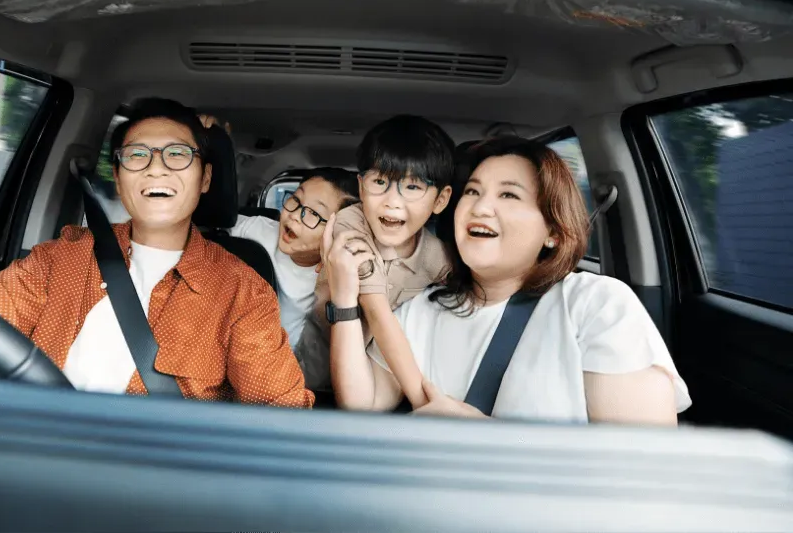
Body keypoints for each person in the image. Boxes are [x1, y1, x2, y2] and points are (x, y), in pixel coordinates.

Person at [0, 98, 314, 408]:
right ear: (119, 178)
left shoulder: (242, 289)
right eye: (137, 155)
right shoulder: (62, 258)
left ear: (205, 178)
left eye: (177, 154)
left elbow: (278, 412)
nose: (156, 169)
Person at [327, 136, 691, 424]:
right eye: (473, 191)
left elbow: (641, 469)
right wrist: (344, 300)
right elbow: (362, 404)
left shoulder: (596, 305)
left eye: (508, 194)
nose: (480, 207)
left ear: (553, 230)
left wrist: (483, 436)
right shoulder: (422, 309)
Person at [297, 115, 455, 405]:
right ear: (360, 188)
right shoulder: (350, 225)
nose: (391, 201)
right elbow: (376, 309)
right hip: (311, 370)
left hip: (372, 375)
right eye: (380, 182)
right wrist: (425, 404)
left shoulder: (439, 257)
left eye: (412, 187)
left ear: (440, 200)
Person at [228, 168, 359, 349]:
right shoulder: (259, 230)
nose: (295, 215)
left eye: (314, 213)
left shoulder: (339, 277)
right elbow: (214, 225)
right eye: (296, 200)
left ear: (339, 231)